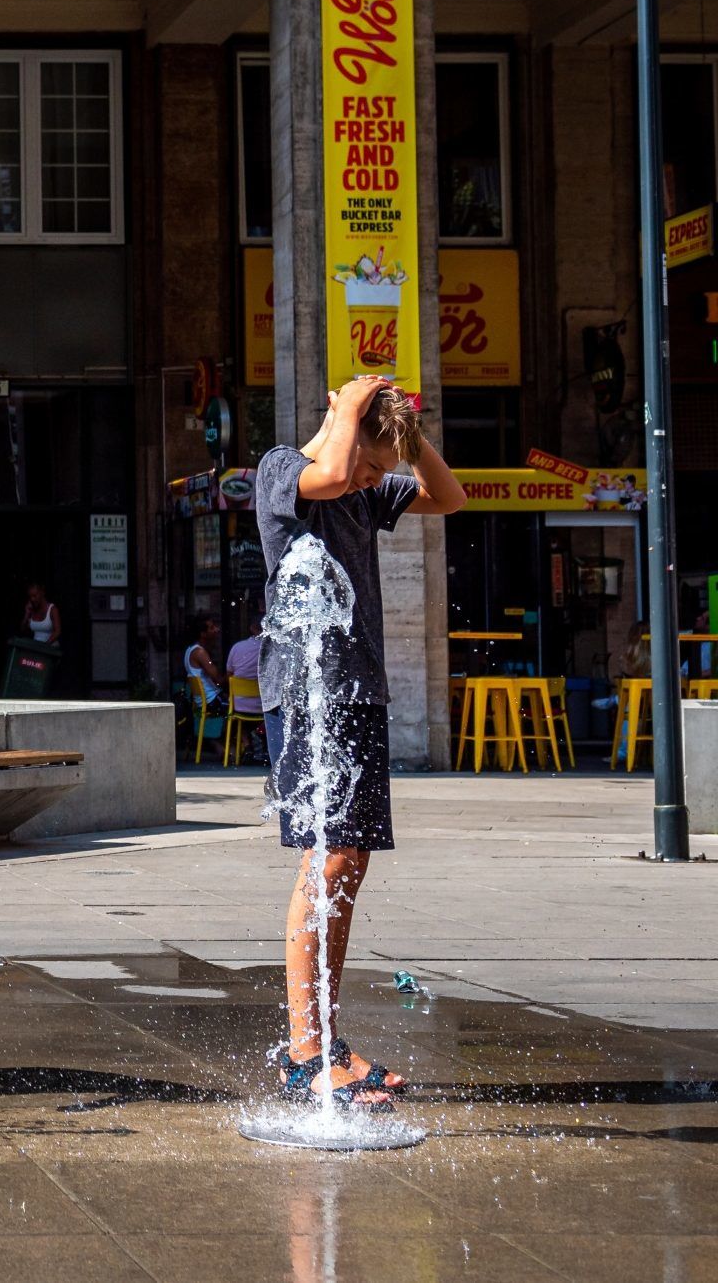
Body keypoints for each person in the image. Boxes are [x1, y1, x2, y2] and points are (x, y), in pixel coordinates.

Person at [255, 374, 463, 1107]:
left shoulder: (364, 491)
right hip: (307, 694)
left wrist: (408, 433)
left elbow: (449, 498)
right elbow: (337, 469)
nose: (374, 482)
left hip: (358, 690)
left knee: (350, 860)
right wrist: (348, 409)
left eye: (381, 470)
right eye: (377, 467)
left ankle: (324, 1040)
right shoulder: (284, 470)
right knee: (327, 856)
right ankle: (305, 1053)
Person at [226, 620, 268, 761]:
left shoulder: (237, 647)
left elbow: (229, 674)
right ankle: (262, 741)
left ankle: (247, 743)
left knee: (239, 719)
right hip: (264, 705)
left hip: (239, 705)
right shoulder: (270, 648)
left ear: (251, 628)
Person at [183, 615, 225, 711]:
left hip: (204, 701)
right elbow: (218, 680)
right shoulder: (200, 652)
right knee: (243, 706)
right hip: (212, 701)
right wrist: (232, 672)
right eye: (212, 628)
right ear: (203, 634)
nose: (217, 630)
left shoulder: (190, 650)